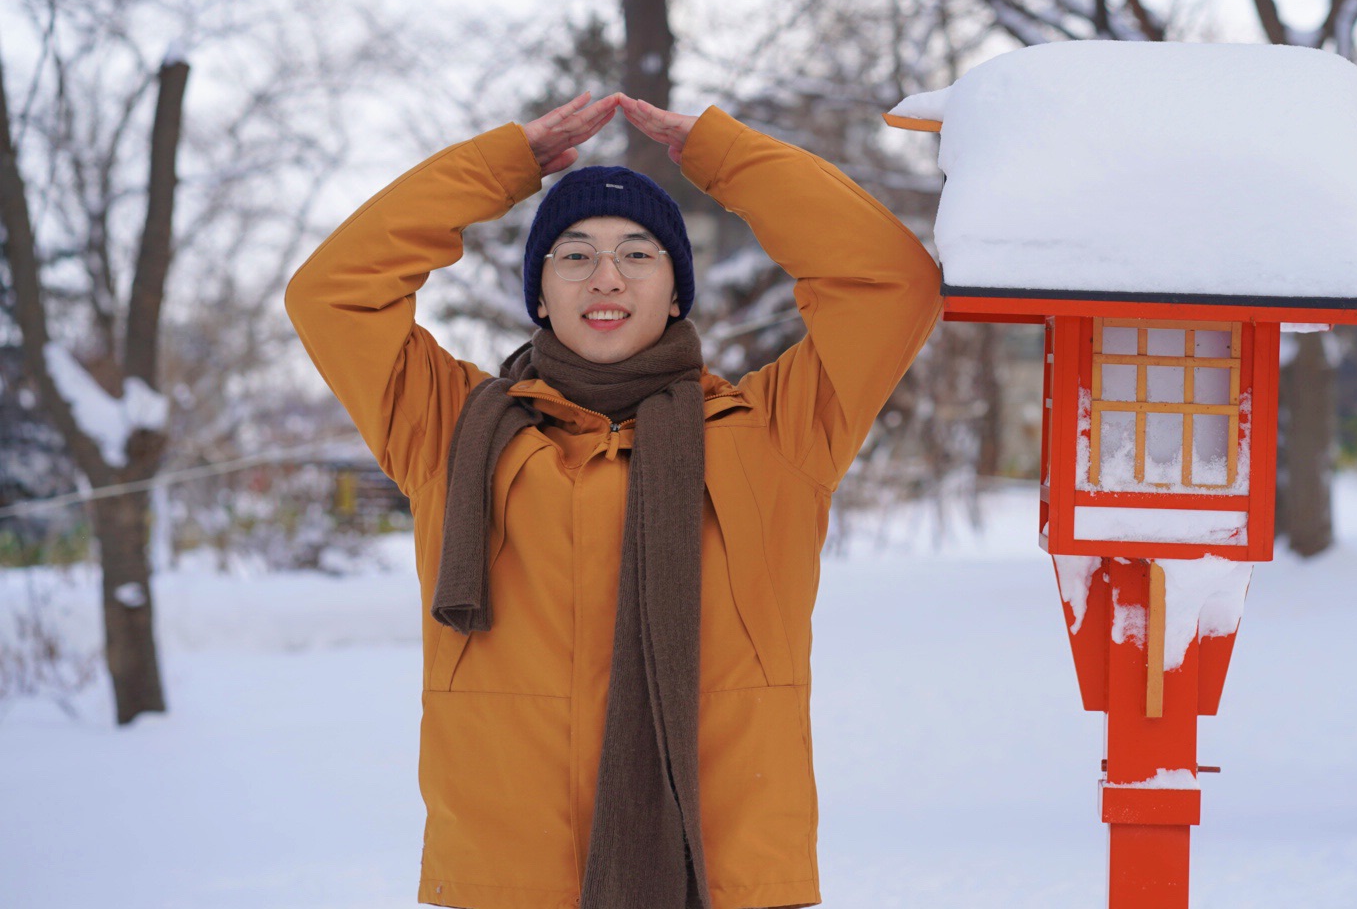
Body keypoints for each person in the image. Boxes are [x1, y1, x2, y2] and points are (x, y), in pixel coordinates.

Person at [285, 91, 943, 909]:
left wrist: (728, 160)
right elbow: (333, 295)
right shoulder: (449, 430)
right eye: (574, 255)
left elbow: (889, 285)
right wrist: (501, 166)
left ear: (676, 293)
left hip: (726, 876)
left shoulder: (774, 437)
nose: (607, 276)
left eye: (639, 254)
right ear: (539, 296)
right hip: (509, 880)